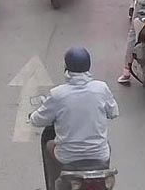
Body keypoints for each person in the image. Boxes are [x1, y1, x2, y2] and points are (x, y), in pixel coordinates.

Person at [29, 48, 119, 188]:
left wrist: (32, 116)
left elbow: (37, 120)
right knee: (106, 146)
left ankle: (54, 184)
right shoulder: (101, 88)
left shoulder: (58, 94)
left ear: (67, 68)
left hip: (67, 157)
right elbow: (113, 112)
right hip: (99, 155)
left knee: (49, 145)